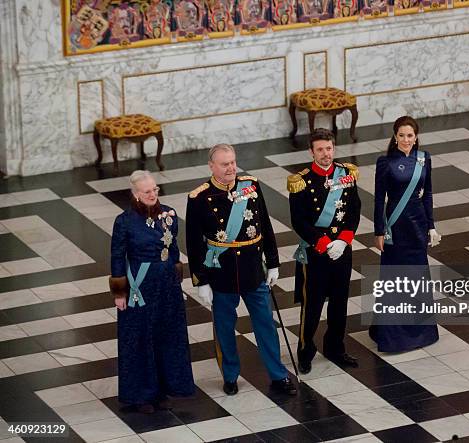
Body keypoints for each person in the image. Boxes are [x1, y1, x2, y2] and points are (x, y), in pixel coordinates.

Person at [186, 144, 296, 396]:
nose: (231, 168)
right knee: (225, 327)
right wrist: (201, 280)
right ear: (211, 166)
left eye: (233, 162)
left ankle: (278, 375)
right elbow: (194, 244)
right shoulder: (199, 198)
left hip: (252, 269)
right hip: (221, 273)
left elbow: (265, 226)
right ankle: (230, 375)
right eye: (225, 164)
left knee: (266, 324)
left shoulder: (251, 186)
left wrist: (274, 262)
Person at [109, 170, 195, 414]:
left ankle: (164, 389)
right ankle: (141, 395)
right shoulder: (124, 221)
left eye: (155, 189)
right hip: (140, 286)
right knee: (140, 339)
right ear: (136, 194)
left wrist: (177, 280)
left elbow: (174, 248)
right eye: (147, 191)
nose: (152, 194)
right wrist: (119, 292)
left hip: (167, 285)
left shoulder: (169, 214)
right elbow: (117, 257)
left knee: (167, 336)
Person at [287, 128, 361, 374]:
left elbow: (354, 211)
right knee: (312, 305)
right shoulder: (302, 181)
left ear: (334, 148)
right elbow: (299, 221)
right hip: (316, 252)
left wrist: (343, 241)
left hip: (341, 249)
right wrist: (323, 243)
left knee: (339, 303)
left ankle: (335, 348)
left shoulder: (346, 175)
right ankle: (306, 351)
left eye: (328, 148)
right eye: (320, 149)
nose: (325, 153)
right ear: (311, 151)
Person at [370, 116, 441, 353]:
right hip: (396, 225)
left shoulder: (424, 159)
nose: (406, 140)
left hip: (418, 224)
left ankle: (421, 332)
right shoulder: (385, 162)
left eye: (410, 135)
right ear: (394, 137)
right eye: (401, 135)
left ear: (416, 137)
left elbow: (428, 193)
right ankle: (393, 336)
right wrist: (379, 230)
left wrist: (431, 226)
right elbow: (379, 198)